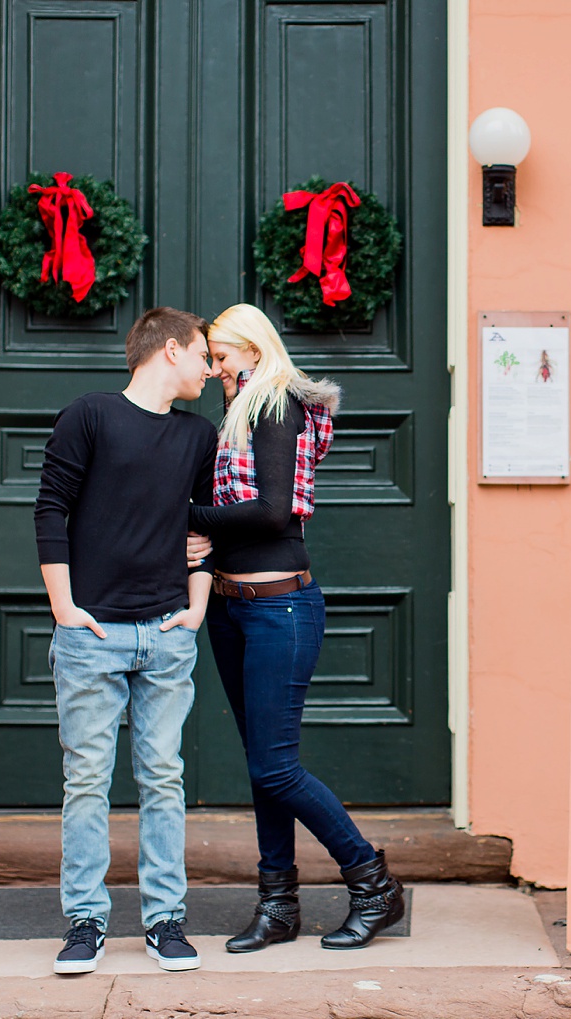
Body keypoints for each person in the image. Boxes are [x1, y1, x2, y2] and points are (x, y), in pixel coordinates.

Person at [188, 303, 406, 953]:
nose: (213, 369)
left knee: (277, 767)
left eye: (222, 356)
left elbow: (274, 511)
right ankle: (278, 903)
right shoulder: (245, 403)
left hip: (279, 605)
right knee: (265, 767)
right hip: (235, 605)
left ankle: (373, 883)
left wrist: (185, 513)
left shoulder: (276, 402)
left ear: (253, 348)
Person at [33, 306, 217, 975]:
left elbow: (200, 529)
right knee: (86, 780)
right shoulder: (90, 415)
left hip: (166, 633)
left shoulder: (199, 436)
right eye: (203, 354)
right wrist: (65, 607)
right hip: (93, 634)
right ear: (171, 351)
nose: (210, 368)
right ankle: (84, 921)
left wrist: (196, 609)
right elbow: (50, 507)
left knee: (163, 777)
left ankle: (166, 920)